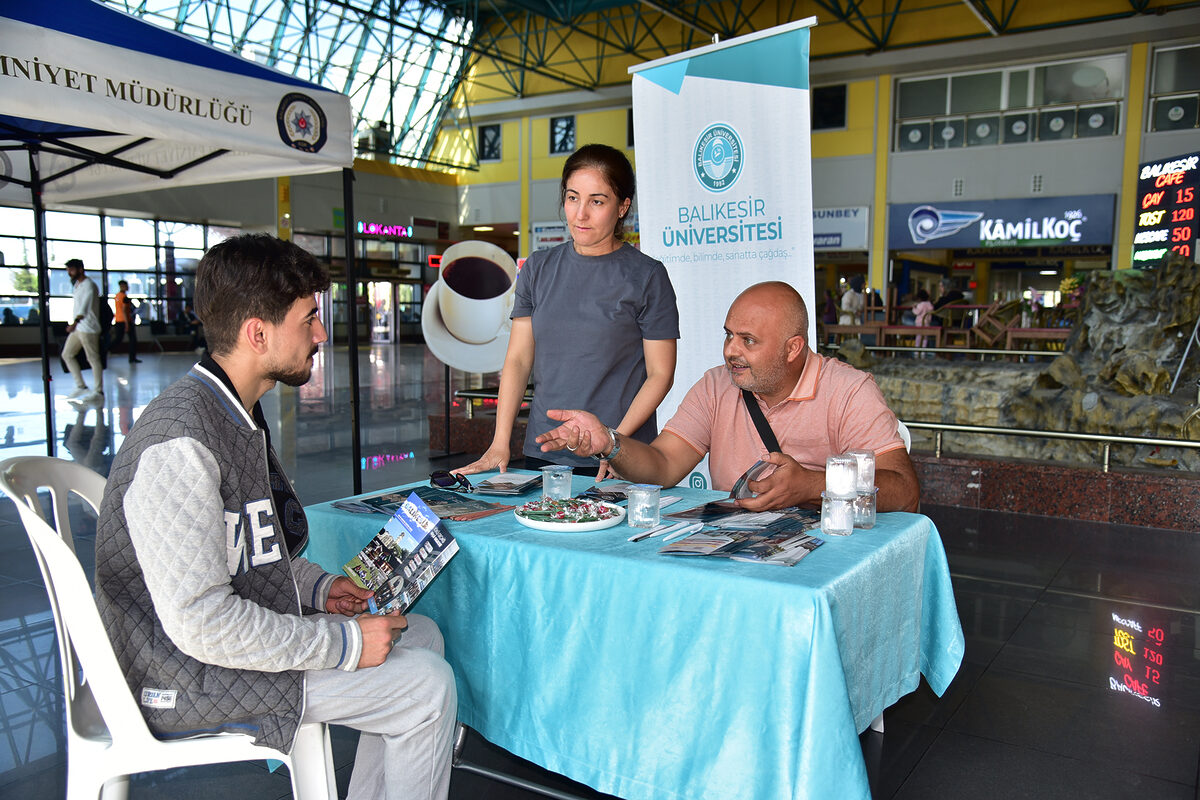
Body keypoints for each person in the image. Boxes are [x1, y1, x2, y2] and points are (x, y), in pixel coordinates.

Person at [95, 234, 457, 800]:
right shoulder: (181, 443)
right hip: (180, 674)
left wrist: (320, 589)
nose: (320, 334)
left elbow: (245, 553)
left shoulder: (233, 411)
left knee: (423, 636)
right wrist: (342, 643)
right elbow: (202, 622)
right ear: (258, 334)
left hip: (211, 652)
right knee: (424, 687)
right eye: (309, 318)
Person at [533, 281, 920, 513]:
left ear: (793, 348)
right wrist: (610, 443)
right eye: (728, 335)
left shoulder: (848, 391)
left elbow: (904, 489)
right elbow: (665, 464)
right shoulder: (717, 385)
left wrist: (810, 485)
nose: (730, 351)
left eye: (748, 340)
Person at [457, 143, 679, 481]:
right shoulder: (538, 268)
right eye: (573, 197)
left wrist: (614, 444)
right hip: (545, 452)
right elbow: (518, 359)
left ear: (623, 207)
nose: (580, 214)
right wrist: (500, 441)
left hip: (620, 460)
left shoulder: (647, 276)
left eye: (597, 201)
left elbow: (660, 374)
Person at [62, 258, 104, 404]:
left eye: (71, 269)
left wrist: (74, 323)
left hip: (88, 328)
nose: (69, 273)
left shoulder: (89, 285)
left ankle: (98, 391)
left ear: (80, 269)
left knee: (93, 358)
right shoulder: (77, 285)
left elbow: (84, 308)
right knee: (67, 354)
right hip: (79, 328)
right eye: (68, 270)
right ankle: (81, 386)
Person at [110, 279, 141, 363]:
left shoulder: (117, 296)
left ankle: (106, 350)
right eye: (127, 286)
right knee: (132, 340)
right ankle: (132, 358)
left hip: (118, 320)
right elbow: (124, 311)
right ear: (123, 286)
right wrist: (127, 324)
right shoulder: (124, 297)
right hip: (125, 321)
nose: (128, 287)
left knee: (118, 339)